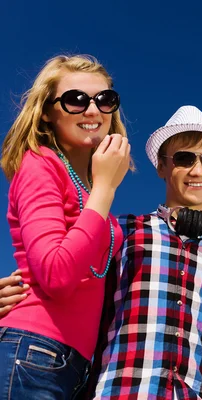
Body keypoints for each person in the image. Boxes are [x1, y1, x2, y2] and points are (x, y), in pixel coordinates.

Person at [0, 55, 131, 398]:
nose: (92, 111)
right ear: (47, 111)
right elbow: (56, 275)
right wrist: (105, 189)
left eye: (105, 100)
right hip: (33, 352)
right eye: (75, 100)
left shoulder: (90, 191)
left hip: (71, 367)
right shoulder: (40, 164)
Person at [90, 105, 202, 399]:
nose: (198, 170)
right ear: (161, 166)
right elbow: (67, 276)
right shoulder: (123, 231)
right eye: (184, 158)